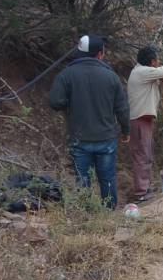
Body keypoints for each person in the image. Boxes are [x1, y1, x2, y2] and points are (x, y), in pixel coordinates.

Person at [49, 34, 129, 209]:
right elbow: (122, 109)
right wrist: (126, 131)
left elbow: (54, 101)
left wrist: (70, 103)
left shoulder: (67, 74)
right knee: (107, 178)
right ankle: (108, 214)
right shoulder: (111, 76)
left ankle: (86, 215)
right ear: (100, 54)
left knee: (82, 179)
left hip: (79, 138)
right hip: (106, 138)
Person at [127, 45, 163, 203]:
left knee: (146, 153)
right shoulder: (142, 72)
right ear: (152, 61)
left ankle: (145, 187)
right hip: (140, 119)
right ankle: (141, 191)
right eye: (156, 60)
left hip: (144, 119)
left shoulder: (145, 74)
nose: (158, 62)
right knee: (142, 155)